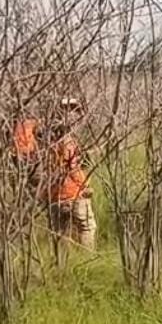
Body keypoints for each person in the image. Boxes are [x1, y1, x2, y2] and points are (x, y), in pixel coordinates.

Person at [44, 99, 96, 259]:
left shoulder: (46, 140)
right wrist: (84, 186)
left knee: (60, 235)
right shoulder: (66, 141)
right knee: (87, 227)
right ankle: (89, 263)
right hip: (73, 193)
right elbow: (72, 167)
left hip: (53, 195)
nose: (75, 114)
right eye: (72, 110)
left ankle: (62, 268)